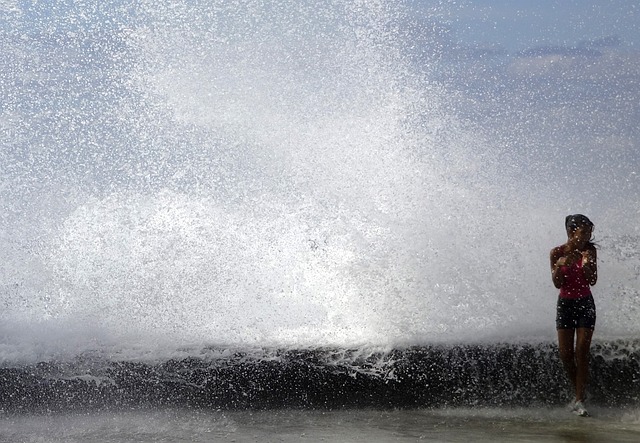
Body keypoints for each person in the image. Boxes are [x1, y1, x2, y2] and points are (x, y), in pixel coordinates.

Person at [550, 214, 597, 417]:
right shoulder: (556, 252)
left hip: (585, 303)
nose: (587, 236)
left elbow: (593, 280)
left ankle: (579, 400)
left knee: (582, 350)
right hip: (565, 304)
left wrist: (587, 265)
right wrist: (560, 265)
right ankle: (579, 389)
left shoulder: (590, 250)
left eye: (589, 232)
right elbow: (557, 283)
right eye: (583, 232)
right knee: (565, 354)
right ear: (571, 232)